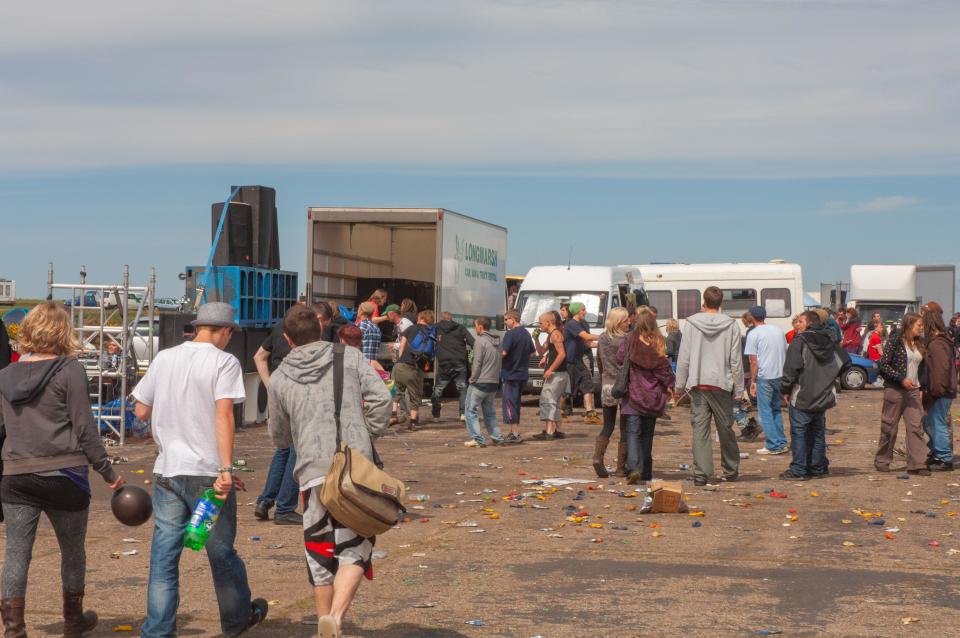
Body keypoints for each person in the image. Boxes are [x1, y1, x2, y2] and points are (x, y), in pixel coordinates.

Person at [134, 302, 268, 637]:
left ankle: (158, 630)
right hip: (208, 478)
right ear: (226, 331)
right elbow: (224, 415)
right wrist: (225, 468)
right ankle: (236, 621)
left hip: (167, 472)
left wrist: (171, 418)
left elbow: (139, 410)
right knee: (220, 552)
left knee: (164, 557)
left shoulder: (165, 358)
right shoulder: (224, 362)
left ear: (197, 327)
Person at [0, 302, 125, 637]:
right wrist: (108, 472)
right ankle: (73, 620)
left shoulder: (5, 376)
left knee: (15, 553)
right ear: (62, 332)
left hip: (16, 475)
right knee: (72, 551)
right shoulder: (69, 370)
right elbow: (85, 429)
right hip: (64, 475)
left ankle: (13, 629)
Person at [266, 305, 391, 638]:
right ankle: (334, 620)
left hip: (312, 474)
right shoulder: (348, 358)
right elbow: (382, 399)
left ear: (288, 339)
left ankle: (324, 623)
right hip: (354, 469)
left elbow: (279, 436)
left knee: (319, 551)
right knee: (356, 547)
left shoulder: (278, 378)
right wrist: (367, 434)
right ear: (321, 331)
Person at [253, 304, 333, 526]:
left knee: (283, 449)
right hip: (300, 395)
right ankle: (285, 508)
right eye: (324, 323)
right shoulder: (312, 337)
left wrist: (271, 386)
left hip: (281, 392)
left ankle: (265, 501)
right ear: (317, 319)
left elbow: (259, 356)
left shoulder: (281, 328)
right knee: (298, 450)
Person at [674, 286, 744, 486]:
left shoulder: (691, 324)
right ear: (721, 303)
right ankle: (731, 469)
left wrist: (679, 384)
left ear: (703, 302)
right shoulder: (731, 325)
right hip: (721, 383)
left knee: (700, 431)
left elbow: (684, 357)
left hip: (698, 382)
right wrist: (739, 389)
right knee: (726, 429)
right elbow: (736, 361)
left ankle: (702, 473)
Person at [779, 311, 851, 480]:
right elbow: (845, 362)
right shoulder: (829, 339)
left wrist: (785, 389)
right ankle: (817, 467)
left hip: (802, 393)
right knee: (817, 432)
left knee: (800, 432)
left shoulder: (799, 341)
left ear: (810, 323)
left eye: (800, 321)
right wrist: (830, 377)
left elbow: (791, 369)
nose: (797, 324)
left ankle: (799, 469)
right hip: (822, 394)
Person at [617, 307, 675, 485]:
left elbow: (619, 358)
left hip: (632, 394)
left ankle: (633, 468)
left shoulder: (629, 340)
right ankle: (646, 470)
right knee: (647, 435)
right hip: (653, 396)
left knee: (633, 433)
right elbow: (665, 372)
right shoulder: (659, 341)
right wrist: (672, 387)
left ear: (637, 323)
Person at [874, 313, 929, 476]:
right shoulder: (896, 341)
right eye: (919, 325)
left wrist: (921, 389)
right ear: (909, 325)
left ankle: (917, 463)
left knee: (915, 427)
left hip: (913, 391)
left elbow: (922, 369)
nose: (921, 328)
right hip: (895, 389)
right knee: (889, 427)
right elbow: (884, 365)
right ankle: (882, 460)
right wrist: (900, 379)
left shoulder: (920, 343)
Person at [745, 306, 788, 456]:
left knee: (764, 412)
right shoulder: (778, 330)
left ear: (751, 317)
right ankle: (781, 441)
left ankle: (773, 444)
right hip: (780, 374)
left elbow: (753, 361)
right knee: (776, 409)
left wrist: (753, 380)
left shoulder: (753, 334)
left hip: (765, 375)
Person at [596, 307, 630, 478]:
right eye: (626, 321)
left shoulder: (602, 338)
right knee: (625, 428)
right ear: (619, 322)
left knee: (607, 426)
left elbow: (599, 361)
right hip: (623, 386)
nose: (629, 323)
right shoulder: (627, 339)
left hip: (607, 385)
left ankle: (598, 458)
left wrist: (604, 376)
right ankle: (621, 467)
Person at [920, 311, 956, 471]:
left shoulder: (937, 344)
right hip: (942, 390)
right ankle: (937, 453)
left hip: (940, 391)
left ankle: (944, 457)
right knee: (931, 422)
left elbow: (941, 369)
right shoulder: (942, 342)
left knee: (936, 423)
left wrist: (936, 390)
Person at [463, 316, 504, 448]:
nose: (475, 329)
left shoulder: (480, 341)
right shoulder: (498, 341)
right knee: (489, 411)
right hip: (493, 381)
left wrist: (472, 379)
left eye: (476, 326)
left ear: (480, 327)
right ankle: (497, 437)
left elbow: (477, 362)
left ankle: (477, 439)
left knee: (470, 410)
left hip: (480, 381)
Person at [393, 310, 435, 431]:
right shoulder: (431, 333)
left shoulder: (411, 328)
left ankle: (393, 414)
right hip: (416, 369)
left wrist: (400, 360)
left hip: (402, 365)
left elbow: (402, 345)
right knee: (414, 396)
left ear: (421, 318)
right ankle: (412, 422)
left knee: (396, 390)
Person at [432, 312, 474, 421]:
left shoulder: (436, 327)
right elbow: (472, 342)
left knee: (438, 389)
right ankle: (463, 414)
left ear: (442, 319)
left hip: (444, 363)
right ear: (452, 319)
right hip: (459, 362)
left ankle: (436, 414)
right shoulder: (460, 328)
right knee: (462, 388)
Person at [500, 309, 534, 443]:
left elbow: (503, 352)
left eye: (506, 319)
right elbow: (533, 353)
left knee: (509, 403)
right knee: (516, 403)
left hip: (510, 373)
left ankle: (514, 433)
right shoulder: (526, 333)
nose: (506, 322)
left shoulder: (510, 334)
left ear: (512, 320)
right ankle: (514, 431)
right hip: (522, 373)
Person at [564, 302, 601, 424]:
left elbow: (587, 343)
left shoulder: (582, 324)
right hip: (569, 362)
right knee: (566, 389)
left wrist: (603, 344)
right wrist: (606, 336)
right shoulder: (571, 324)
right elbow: (586, 336)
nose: (585, 312)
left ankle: (590, 413)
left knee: (587, 383)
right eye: (583, 310)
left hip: (578, 361)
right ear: (576, 311)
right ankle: (558, 412)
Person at [533, 312, 568, 440]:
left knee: (548, 400)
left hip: (557, 374)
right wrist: (536, 339)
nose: (540, 325)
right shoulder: (550, 336)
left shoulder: (555, 334)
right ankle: (559, 430)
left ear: (549, 322)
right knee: (554, 401)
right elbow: (541, 351)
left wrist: (550, 369)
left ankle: (549, 432)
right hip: (557, 373)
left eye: (541, 323)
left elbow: (562, 354)